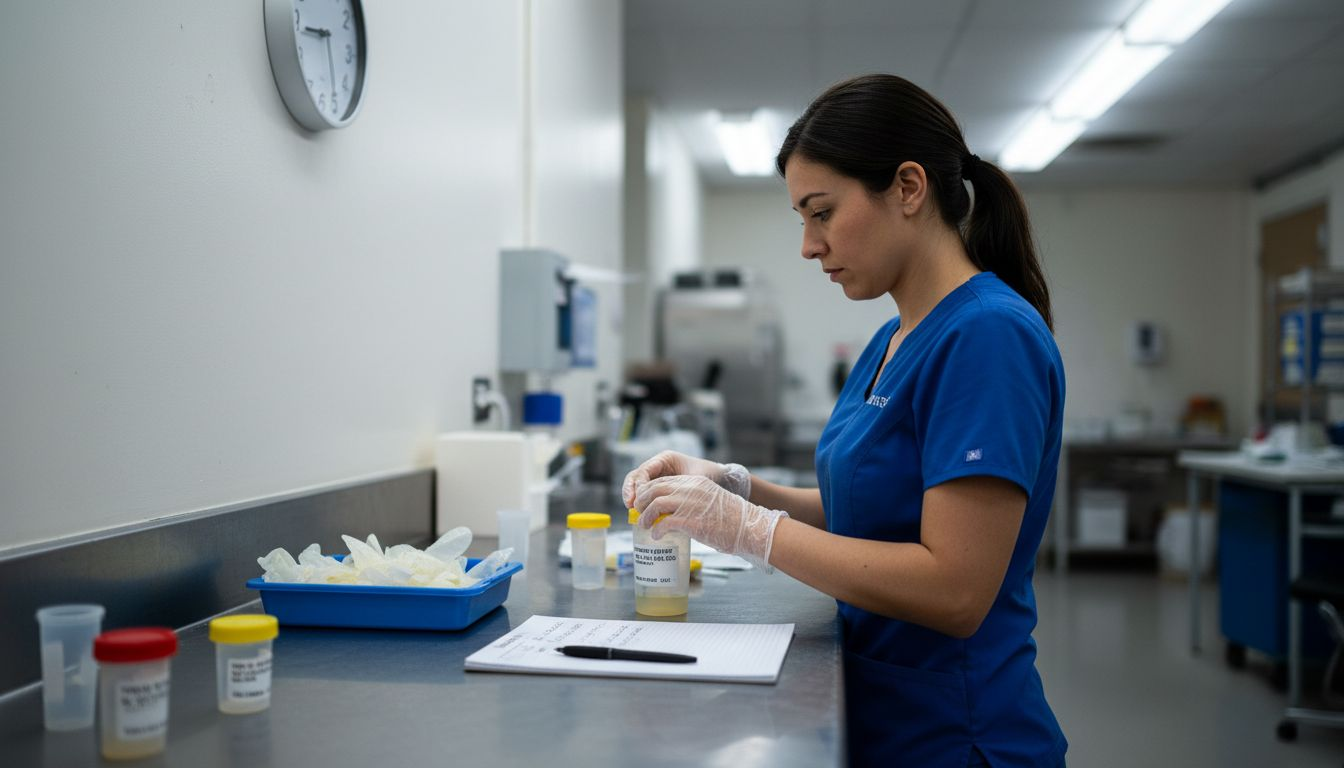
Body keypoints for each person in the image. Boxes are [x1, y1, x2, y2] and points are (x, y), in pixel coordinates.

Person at [624, 74, 1066, 768]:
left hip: (956, 736)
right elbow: (866, 513)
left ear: (909, 188)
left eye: (821, 212)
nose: (807, 244)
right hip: (876, 718)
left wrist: (750, 533)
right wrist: (738, 490)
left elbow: (955, 589)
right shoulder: (892, 338)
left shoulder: (987, 336)